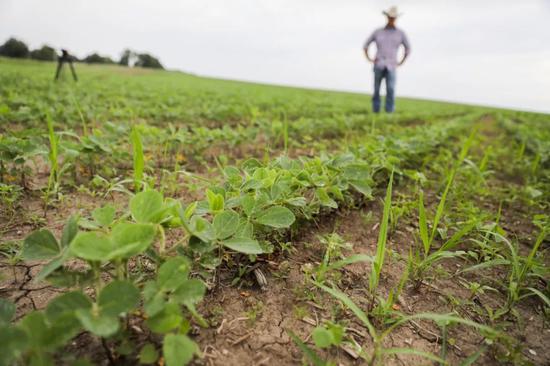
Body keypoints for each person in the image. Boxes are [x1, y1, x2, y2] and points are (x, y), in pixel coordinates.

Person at [363, 6, 410, 113]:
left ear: (396, 18)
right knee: (376, 89)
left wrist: (401, 62)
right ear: (387, 17)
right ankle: (376, 111)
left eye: (393, 17)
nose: (391, 19)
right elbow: (366, 45)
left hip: (392, 66)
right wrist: (369, 58)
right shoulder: (378, 31)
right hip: (378, 64)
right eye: (390, 17)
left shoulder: (400, 33)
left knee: (391, 89)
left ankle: (389, 112)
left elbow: (408, 48)